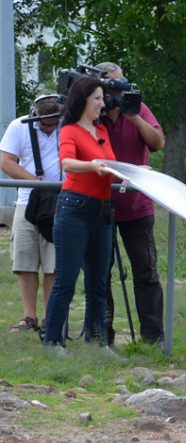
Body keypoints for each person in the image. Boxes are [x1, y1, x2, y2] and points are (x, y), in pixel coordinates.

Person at [94, 61, 166, 346]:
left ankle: (153, 338)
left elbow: (158, 143)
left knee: (145, 270)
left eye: (121, 84)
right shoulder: (91, 112)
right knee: (100, 272)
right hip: (99, 204)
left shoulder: (137, 107)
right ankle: (103, 337)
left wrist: (133, 116)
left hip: (136, 205)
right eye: (112, 86)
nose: (117, 91)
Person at [43, 77, 116, 348]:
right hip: (75, 209)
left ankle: (97, 343)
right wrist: (93, 165)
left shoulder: (102, 132)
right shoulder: (70, 130)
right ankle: (53, 342)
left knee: (99, 282)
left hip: (103, 211)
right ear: (83, 100)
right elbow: (68, 163)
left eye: (102, 98)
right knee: (67, 280)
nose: (102, 103)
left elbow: (110, 166)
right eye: (97, 98)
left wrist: (133, 173)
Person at [0, 94, 64, 334]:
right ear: (35, 114)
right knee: (25, 260)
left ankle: (50, 317)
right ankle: (29, 316)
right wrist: (35, 182)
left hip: (59, 200)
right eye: (44, 123)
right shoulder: (19, 126)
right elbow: (6, 161)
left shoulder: (66, 126)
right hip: (27, 200)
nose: (49, 127)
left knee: (53, 263)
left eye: (53, 123)